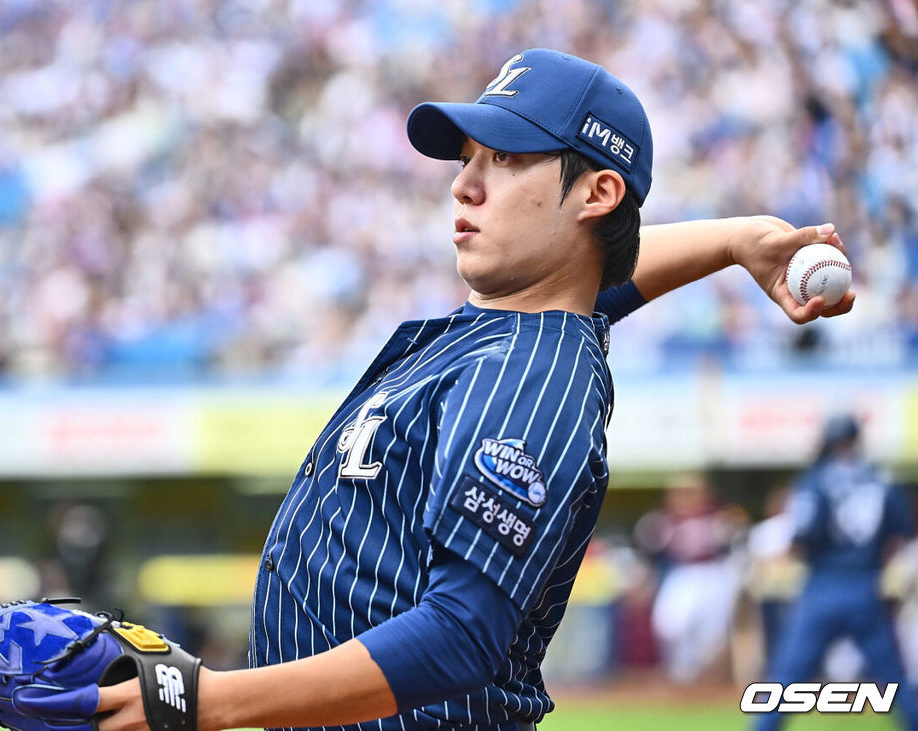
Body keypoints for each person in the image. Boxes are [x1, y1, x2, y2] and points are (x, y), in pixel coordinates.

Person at [97, 48, 853, 731]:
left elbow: (458, 633)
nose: (463, 184)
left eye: (504, 157)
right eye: (466, 157)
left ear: (596, 192)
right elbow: (594, 278)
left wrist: (209, 700)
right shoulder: (520, 325)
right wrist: (729, 241)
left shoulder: (532, 375)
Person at [753, 415, 918, 731]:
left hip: (823, 586)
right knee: (892, 677)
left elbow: (801, 537)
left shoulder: (814, 480)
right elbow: (899, 536)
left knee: (788, 677)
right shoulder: (881, 480)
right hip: (866, 586)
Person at [634, 473, 745, 683]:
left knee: (711, 634)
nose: (685, 497)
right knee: (668, 625)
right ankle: (681, 674)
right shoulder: (664, 518)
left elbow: (736, 547)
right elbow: (648, 549)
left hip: (712, 573)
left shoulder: (719, 515)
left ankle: (703, 680)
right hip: (682, 573)